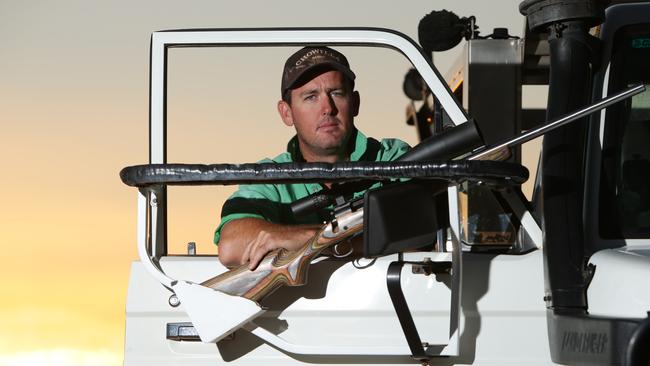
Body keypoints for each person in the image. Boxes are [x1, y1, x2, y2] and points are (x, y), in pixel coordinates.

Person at [215, 46, 410, 269]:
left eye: (336, 93)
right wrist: (333, 239)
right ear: (286, 113)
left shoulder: (393, 158)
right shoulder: (270, 177)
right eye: (310, 97)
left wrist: (311, 240)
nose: (327, 108)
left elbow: (418, 231)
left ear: (355, 103)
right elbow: (231, 246)